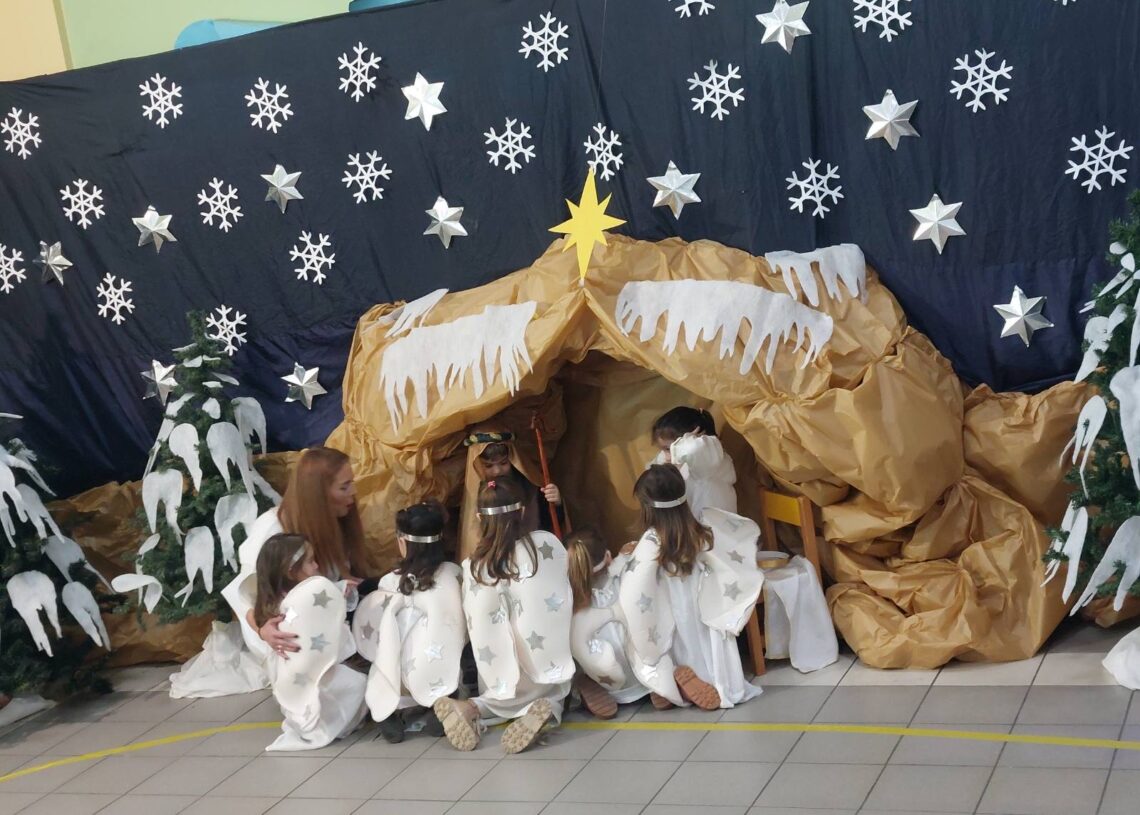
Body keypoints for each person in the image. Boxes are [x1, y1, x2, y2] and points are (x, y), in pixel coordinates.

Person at [434, 478, 574, 754]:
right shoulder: (543, 547)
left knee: (495, 697)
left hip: (498, 672)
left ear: (478, 518)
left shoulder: (473, 566)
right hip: (541, 663)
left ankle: (470, 707)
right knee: (557, 691)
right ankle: (545, 710)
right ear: (522, 511)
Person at [620, 464, 762, 710]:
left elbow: (634, 586)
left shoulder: (652, 539)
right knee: (704, 640)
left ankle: (670, 681)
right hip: (704, 603)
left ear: (647, 508)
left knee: (668, 638)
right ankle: (714, 680)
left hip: (675, 607)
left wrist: (625, 564)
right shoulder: (700, 529)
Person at [225, 446, 372, 661]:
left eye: (352, 483)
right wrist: (263, 631)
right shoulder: (272, 531)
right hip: (287, 636)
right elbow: (247, 596)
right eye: (344, 487)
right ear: (319, 494)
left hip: (324, 609)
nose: (353, 492)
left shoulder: (333, 520)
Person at [352, 501, 462, 743]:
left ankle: (390, 709)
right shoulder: (452, 575)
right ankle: (441, 701)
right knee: (447, 651)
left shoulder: (389, 582)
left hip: (396, 675)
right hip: (434, 667)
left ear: (402, 542)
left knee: (388, 652)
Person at [253, 533, 367, 751]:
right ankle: (335, 724)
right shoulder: (292, 606)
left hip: (301, 675)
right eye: (310, 561)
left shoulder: (280, 601)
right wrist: (333, 596)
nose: (316, 566)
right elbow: (320, 629)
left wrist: (336, 591)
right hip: (308, 674)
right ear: (291, 571)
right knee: (356, 685)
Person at [565, 527, 649, 718]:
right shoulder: (624, 574)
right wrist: (626, 552)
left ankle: (586, 681)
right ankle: (662, 681)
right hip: (644, 673)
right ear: (608, 557)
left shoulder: (569, 600)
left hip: (608, 678)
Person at [458, 426, 567, 560]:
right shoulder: (472, 492)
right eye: (489, 466)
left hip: (531, 555)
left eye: (503, 463)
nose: (497, 471)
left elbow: (548, 523)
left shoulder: (530, 486)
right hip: (491, 559)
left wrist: (556, 503)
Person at [650, 406, 737, 521]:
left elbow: (694, 449)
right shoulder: (681, 461)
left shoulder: (709, 458)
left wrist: (686, 443)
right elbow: (655, 471)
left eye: (670, 449)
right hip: (695, 527)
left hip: (717, 528)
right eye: (664, 450)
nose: (667, 456)